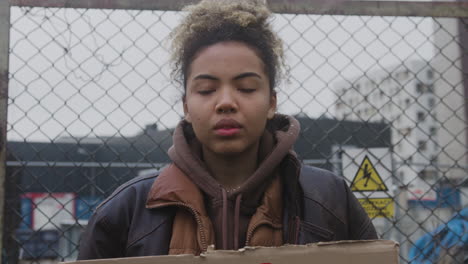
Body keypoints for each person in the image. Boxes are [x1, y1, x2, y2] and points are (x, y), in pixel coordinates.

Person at [78, 0, 377, 259]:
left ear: (272, 102)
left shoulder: (329, 199)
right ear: (185, 106)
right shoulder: (125, 211)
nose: (225, 102)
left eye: (246, 88)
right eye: (206, 90)